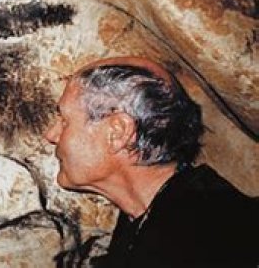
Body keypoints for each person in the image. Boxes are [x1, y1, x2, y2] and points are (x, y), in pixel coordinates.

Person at [43, 56, 258, 267]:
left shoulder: (214, 236)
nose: (51, 135)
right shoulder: (154, 223)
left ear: (118, 132)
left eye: (65, 121)